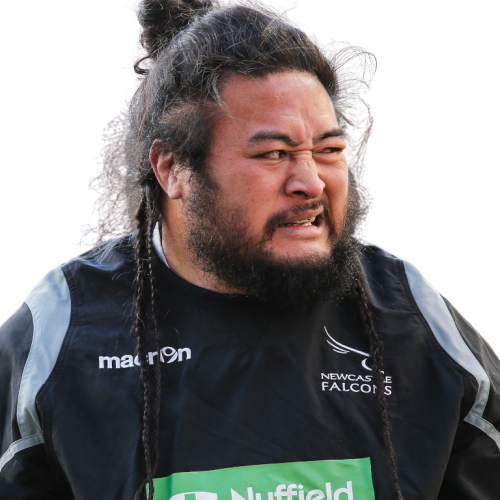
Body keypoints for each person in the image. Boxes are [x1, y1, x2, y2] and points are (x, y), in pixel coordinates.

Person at [1, 1, 498, 499]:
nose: (312, 182)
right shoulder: (60, 329)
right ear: (172, 169)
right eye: (274, 154)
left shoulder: (412, 313)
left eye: (328, 150)